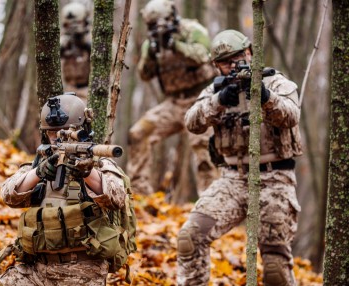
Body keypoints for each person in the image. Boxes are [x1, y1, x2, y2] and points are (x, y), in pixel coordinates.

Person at [177, 29, 303, 286]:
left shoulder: (276, 83)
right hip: (232, 180)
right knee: (190, 237)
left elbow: (291, 116)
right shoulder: (215, 91)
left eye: (238, 57)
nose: (233, 65)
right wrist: (219, 101)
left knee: (275, 268)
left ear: (250, 53)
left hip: (275, 178)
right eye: (225, 62)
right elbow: (192, 122)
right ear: (216, 66)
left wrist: (264, 97)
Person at [0, 93, 133, 286]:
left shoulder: (100, 165)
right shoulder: (40, 163)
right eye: (53, 132)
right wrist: (39, 172)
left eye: (65, 131)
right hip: (36, 270)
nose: (58, 138)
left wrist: (87, 172)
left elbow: (117, 198)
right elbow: (8, 195)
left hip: (82, 270)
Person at [127, 0, 219, 195]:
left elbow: (203, 55)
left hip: (200, 100)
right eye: (153, 25)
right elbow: (144, 75)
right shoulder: (152, 43)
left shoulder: (192, 30)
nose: (159, 29)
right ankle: (139, 195)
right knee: (139, 133)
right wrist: (151, 54)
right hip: (173, 103)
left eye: (161, 24)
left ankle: (209, 201)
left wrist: (175, 45)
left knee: (203, 149)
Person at [60, 2, 91, 101]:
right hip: (67, 90)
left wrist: (85, 43)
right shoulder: (64, 41)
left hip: (88, 92)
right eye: (68, 25)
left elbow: (109, 59)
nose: (72, 27)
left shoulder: (92, 39)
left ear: (85, 22)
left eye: (77, 23)